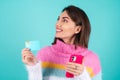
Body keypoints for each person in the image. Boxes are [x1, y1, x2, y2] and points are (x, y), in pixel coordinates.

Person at [22, 5, 102, 80]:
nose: (57, 24)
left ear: (77, 29)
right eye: (58, 19)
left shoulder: (93, 59)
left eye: (64, 20)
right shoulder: (44, 53)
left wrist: (83, 75)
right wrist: (33, 67)